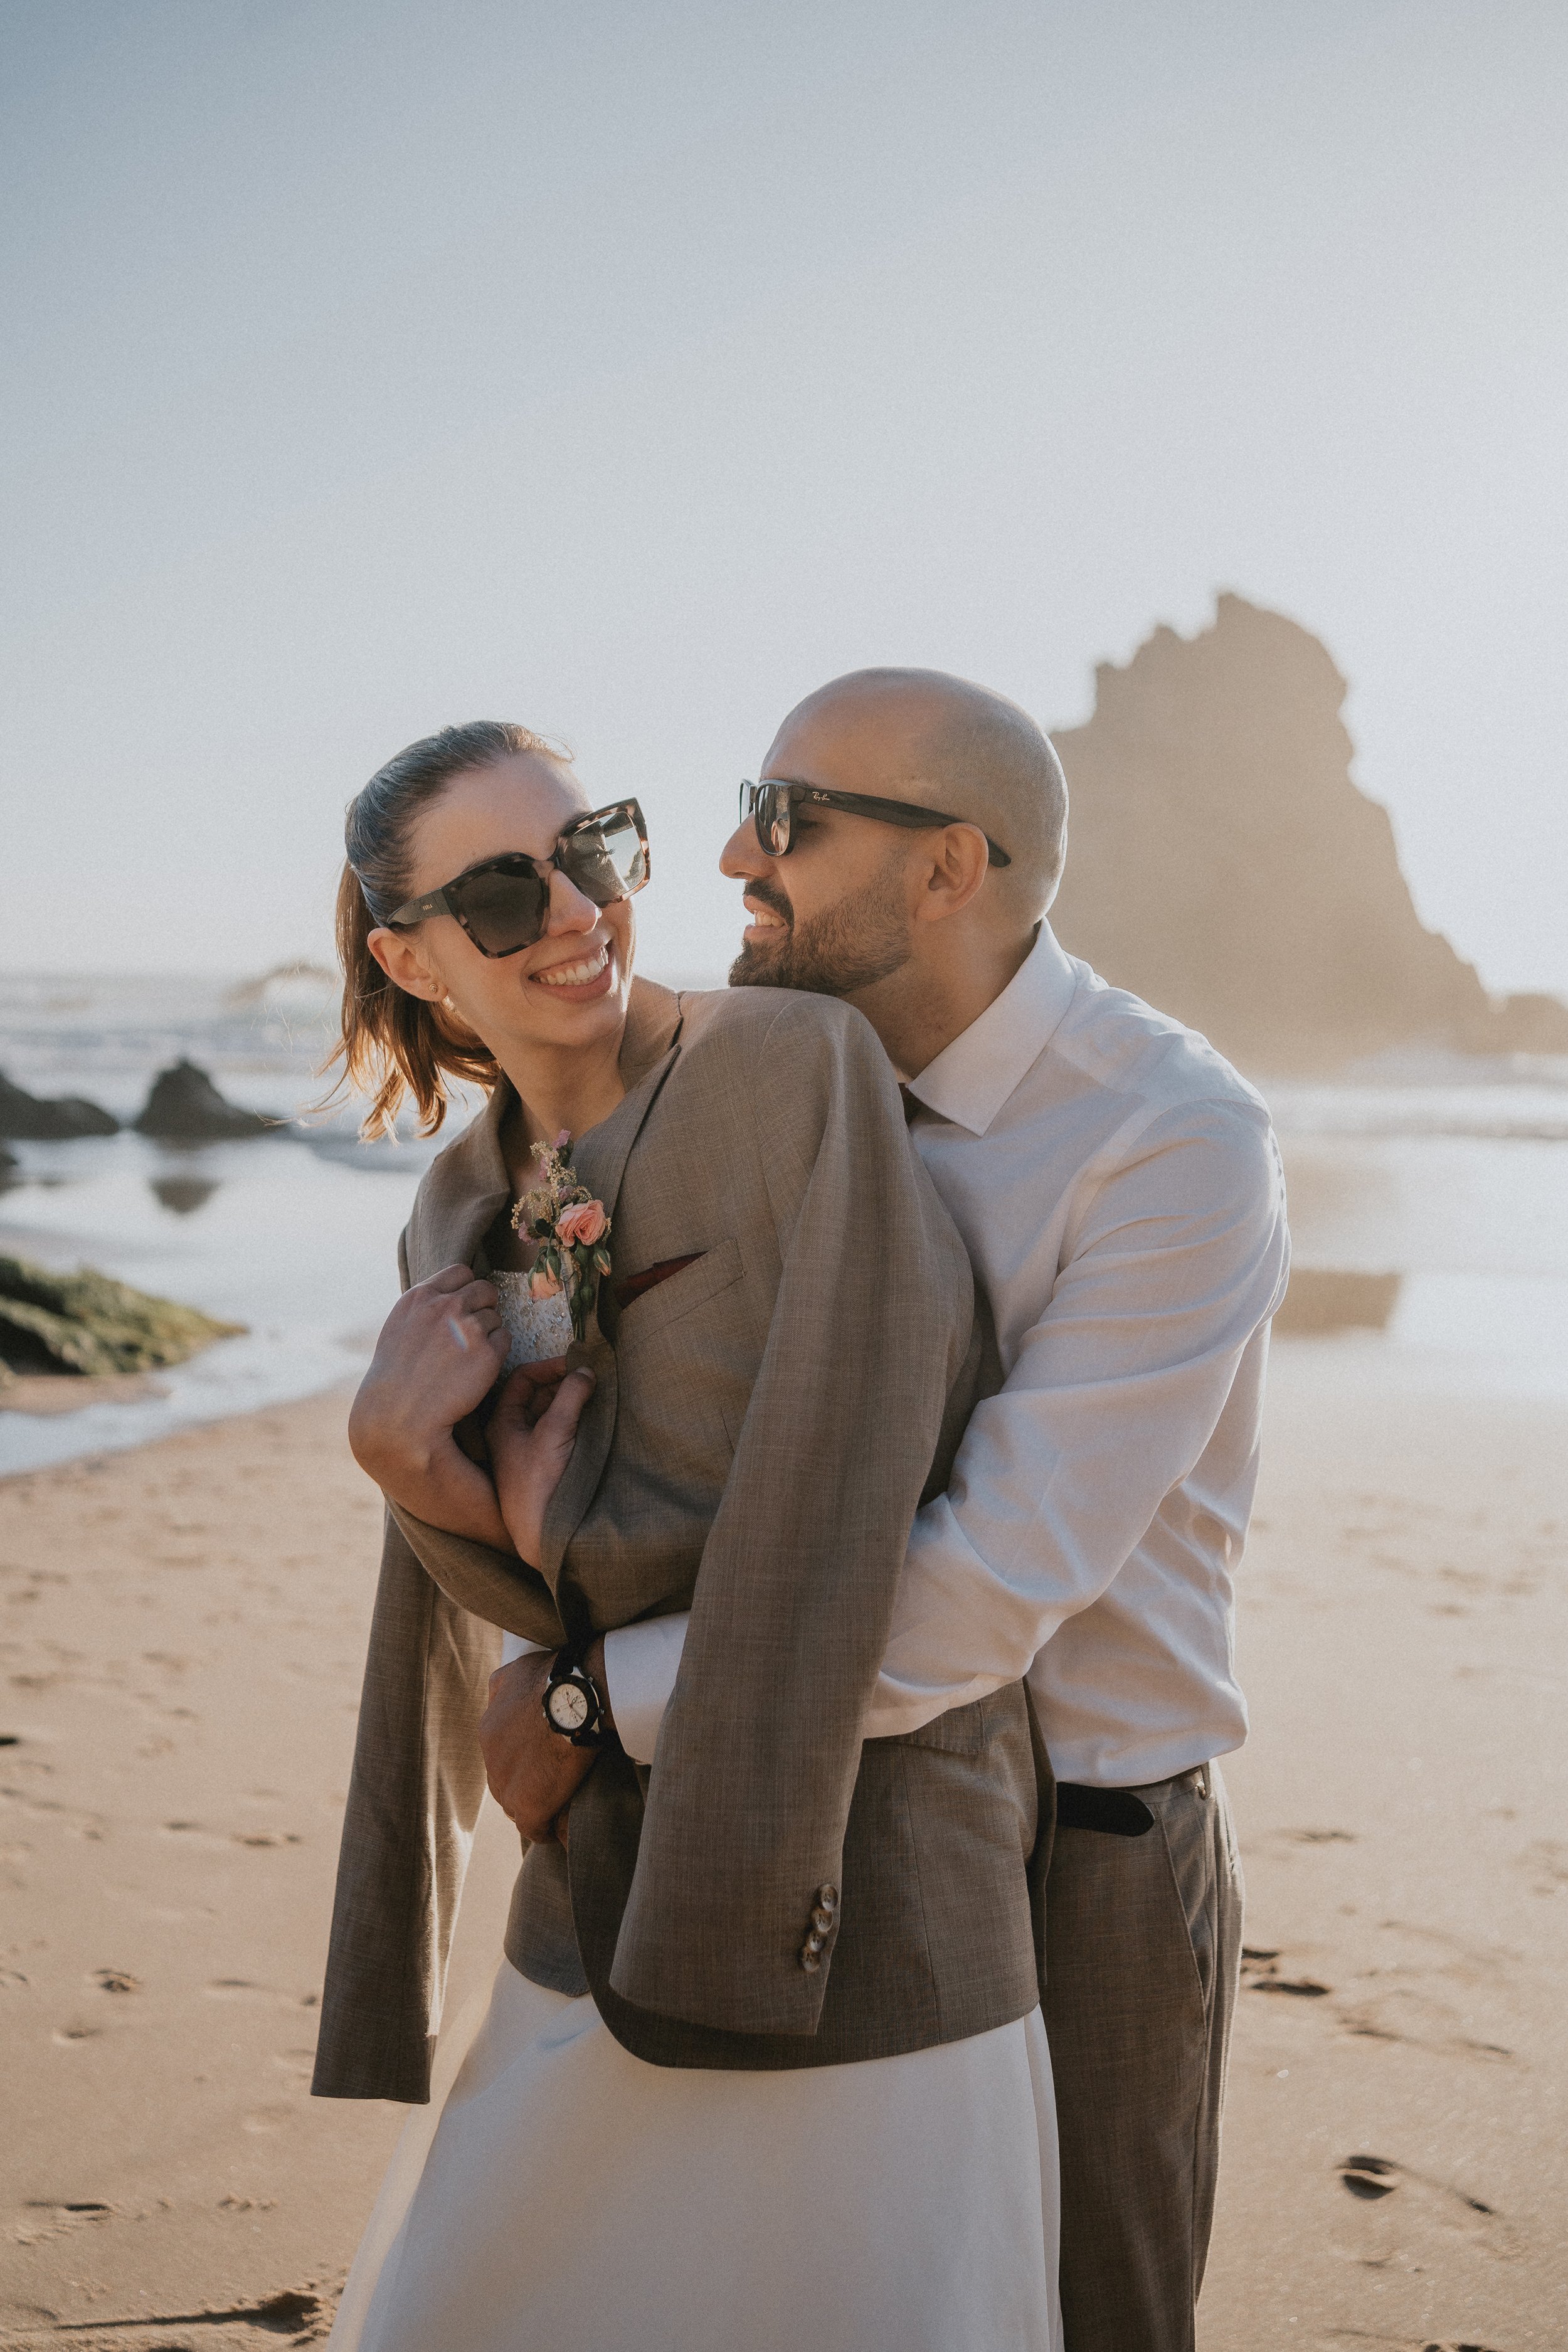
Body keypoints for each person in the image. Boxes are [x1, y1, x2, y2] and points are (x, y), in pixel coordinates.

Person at [494, 671, 1290, 2352]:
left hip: (1084, 1852)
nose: (734, 855)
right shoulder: (753, 1074)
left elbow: (984, 1585)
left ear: (948, 869)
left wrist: (595, 1704)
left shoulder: (1168, 1139)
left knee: (1088, 2315)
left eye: (786, 818)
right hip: (798, 1806)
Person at [311, 719, 1064, 2352]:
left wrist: (563, 1599)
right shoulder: (456, 1204)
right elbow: (506, 1603)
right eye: (501, 895)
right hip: (581, 1888)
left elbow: (861, 1480)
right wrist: (415, 1475)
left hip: (854, 1896)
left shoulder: (792, 1068)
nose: (575, 913)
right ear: (412, 959)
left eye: (591, 851)